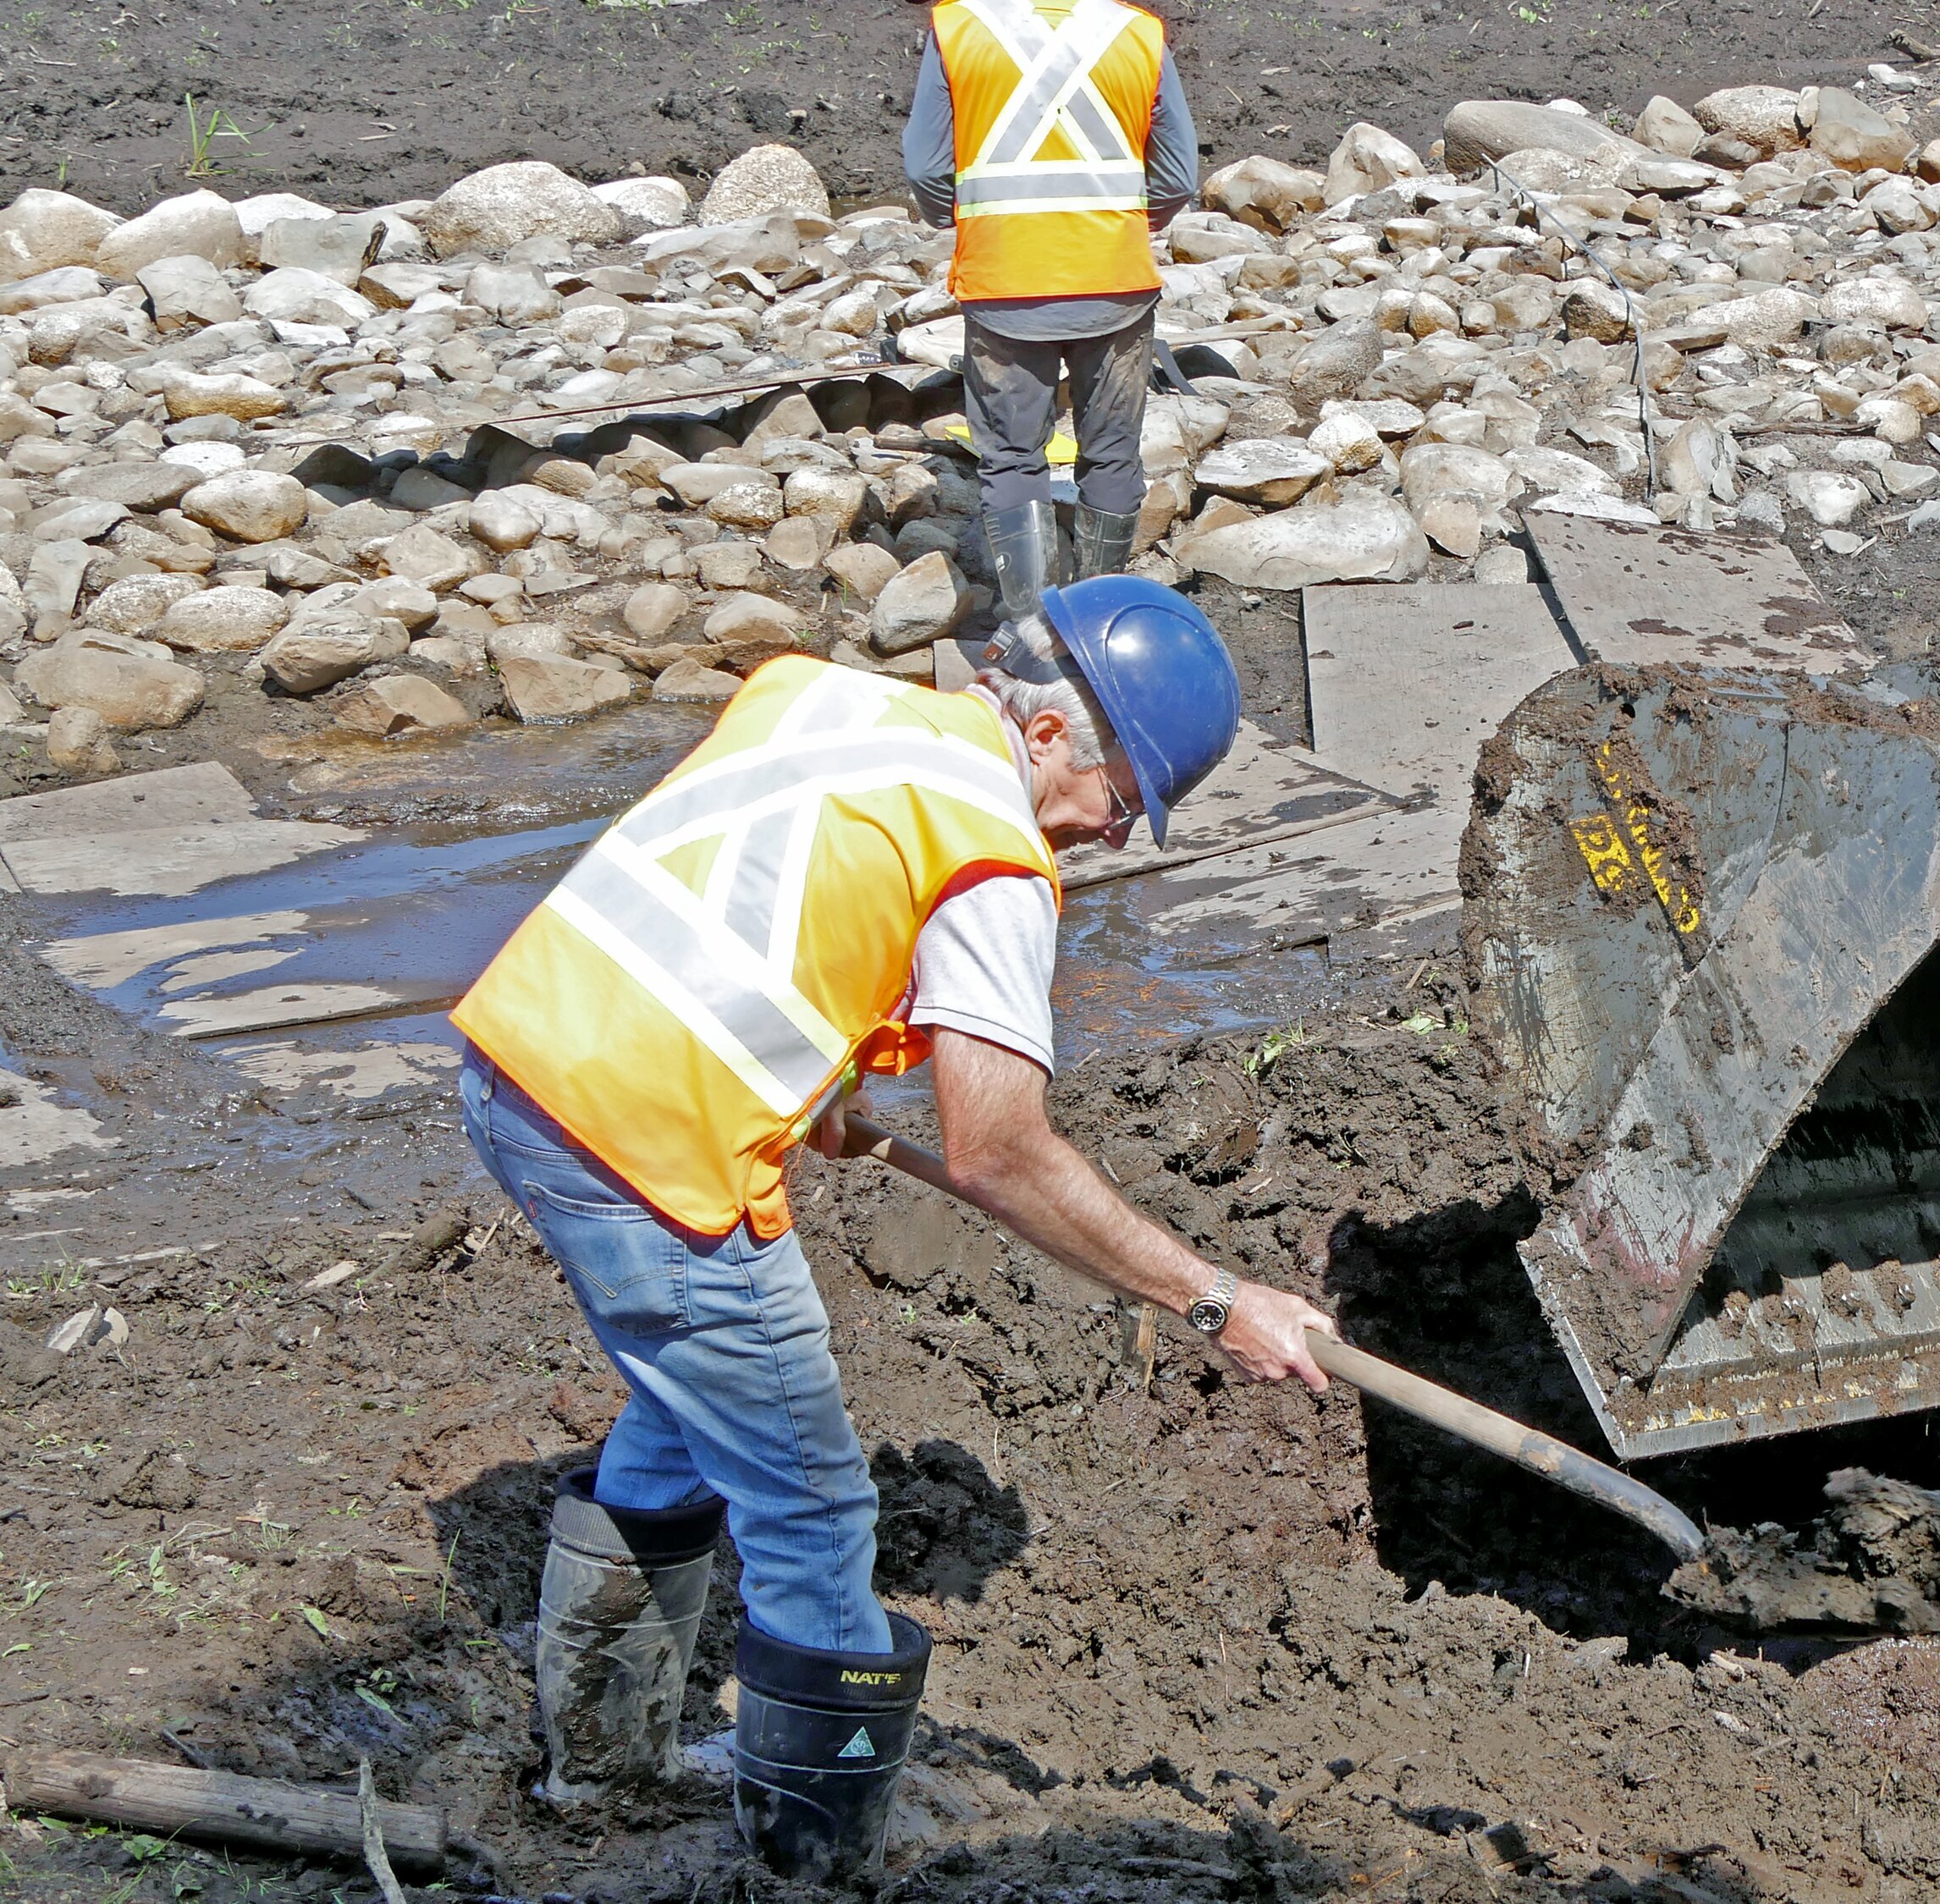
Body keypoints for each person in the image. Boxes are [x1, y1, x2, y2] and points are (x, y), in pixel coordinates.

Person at [449, 578, 1332, 1882]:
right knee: (810, 1500)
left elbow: (761, 892)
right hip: (650, 1147)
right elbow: (999, 1147)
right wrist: (1213, 1298)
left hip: (519, 1067)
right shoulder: (991, 852)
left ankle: (603, 1763)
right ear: (1046, 736)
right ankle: (813, 1852)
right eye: (1123, 799)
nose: (1110, 834)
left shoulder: (824, 694)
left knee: (686, 1407)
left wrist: (829, 1075)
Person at [904, 0, 1197, 632]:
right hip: (1116, 285)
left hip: (1003, 285)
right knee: (1113, 457)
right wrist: (1111, 229)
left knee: (1011, 460)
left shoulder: (958, 28)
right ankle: (1100, 630)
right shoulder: (1138, 32)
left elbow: (928, 171)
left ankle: (1034, 638)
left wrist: (981, 226)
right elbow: (1176, 177)